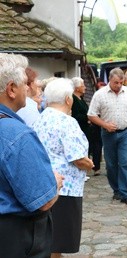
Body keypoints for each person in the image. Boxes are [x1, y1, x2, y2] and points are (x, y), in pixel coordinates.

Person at [0, 53, 63, 257]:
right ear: (11, 89)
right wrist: (55, 182)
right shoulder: (15, 134)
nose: (29, 89)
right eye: (25, 84)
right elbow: (42, 200)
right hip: (14, 236)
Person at [32, 78, 94, 257]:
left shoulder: (40, 118)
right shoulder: (67, 121)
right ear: (68, 99)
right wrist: (89, 163)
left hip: (45, 184)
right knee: (57, 242)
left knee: (49, 240)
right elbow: (77, 158)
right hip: (65, 188)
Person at [87, 68, 127, 205]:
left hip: (126, 132)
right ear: (109, 81)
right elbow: (91, 115)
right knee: (111, 165)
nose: (118, 85)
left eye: (120, 82)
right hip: (108, 134)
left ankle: (125, 193)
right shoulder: (100, 95)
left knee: (125, 162)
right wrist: (104, 124)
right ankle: (116, 190)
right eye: (115, 83)